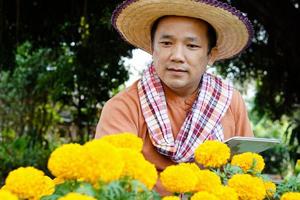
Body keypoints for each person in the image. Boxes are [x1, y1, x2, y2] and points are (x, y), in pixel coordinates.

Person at [95, 0, 254, 195]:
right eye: (166, 43)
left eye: (192, 45)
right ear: (153, 49)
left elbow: (247, 172)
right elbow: (113, 186)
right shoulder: (123, 107)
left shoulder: (229, 101)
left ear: (211, 55)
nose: (177, 55)